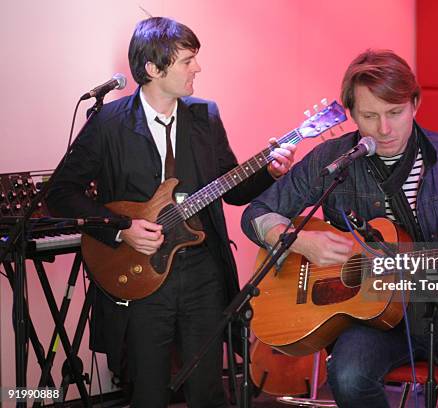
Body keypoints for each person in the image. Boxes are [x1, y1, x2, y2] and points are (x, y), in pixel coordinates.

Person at [241, 49, 438, 408]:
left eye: (395, 113)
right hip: (372, 317)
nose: (384, 129)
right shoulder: (332, 159)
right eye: (369, 116)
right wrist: (299, 242)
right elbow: (257, 211)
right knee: (347, 377)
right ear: (351, 114)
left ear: (415, 104)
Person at [47, 17, 295, 408]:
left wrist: (269, 171)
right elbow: (60, 193)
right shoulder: (109, 123)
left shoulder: (205, 116)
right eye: (187, 60)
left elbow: (231, 189)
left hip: (201, 271)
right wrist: (121, 228)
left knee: (208, 392)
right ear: (152, 68)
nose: (197, 68)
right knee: (147, 391)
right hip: (142, 275)